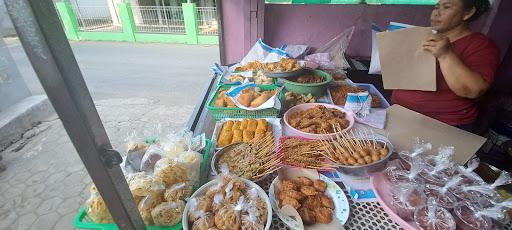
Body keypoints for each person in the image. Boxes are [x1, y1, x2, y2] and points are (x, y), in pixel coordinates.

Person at [391, 0, 500, 132]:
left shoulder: (481, 45)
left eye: (446, 7)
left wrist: (445, 54)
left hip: (443, 126)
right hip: (398, 112)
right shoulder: (422, 37)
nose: (436, 12)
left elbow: (472, 90)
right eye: (436, 7)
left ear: (467, 12)